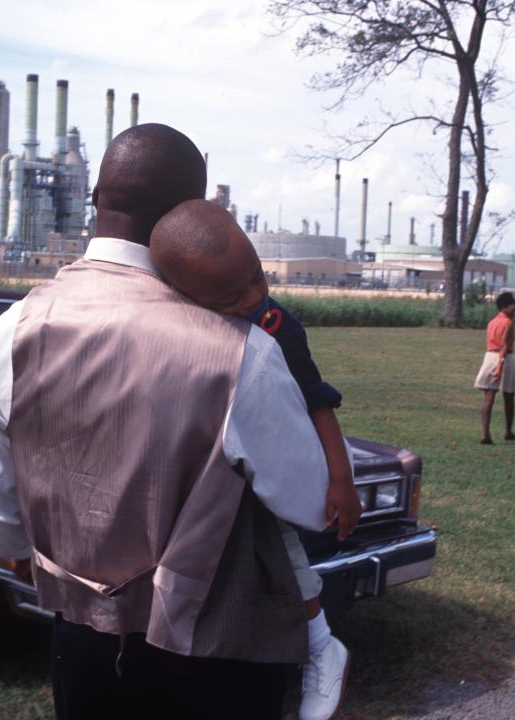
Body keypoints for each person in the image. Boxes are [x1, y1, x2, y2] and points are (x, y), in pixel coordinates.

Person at [0, 124, 349, 720]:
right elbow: (305, 500)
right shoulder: (241, 351)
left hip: (82, 641)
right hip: (219, 651)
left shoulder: (11, 331)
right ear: (191, 212)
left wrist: (21, 549)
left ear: (95, 197)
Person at [149, 198, 361, 720]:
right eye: (231, 296)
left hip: (267, 464)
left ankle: (320, 644)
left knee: (283, 549)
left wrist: (341, 480)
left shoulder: (275, 325)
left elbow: (318, 401)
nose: (253, 297)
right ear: (184, 295)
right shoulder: (178, 324)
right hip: (206, 472)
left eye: (257, 278)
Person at [474, 292, 515, 444]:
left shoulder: (491, 322)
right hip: (504, 358)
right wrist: (500, 366)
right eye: (513, 305)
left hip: (489, 357)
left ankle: (485, 434)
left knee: (489, 397)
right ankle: (508, 431)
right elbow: (504, 347)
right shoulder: (508, 323)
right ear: (505, 307)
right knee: (509, 397)